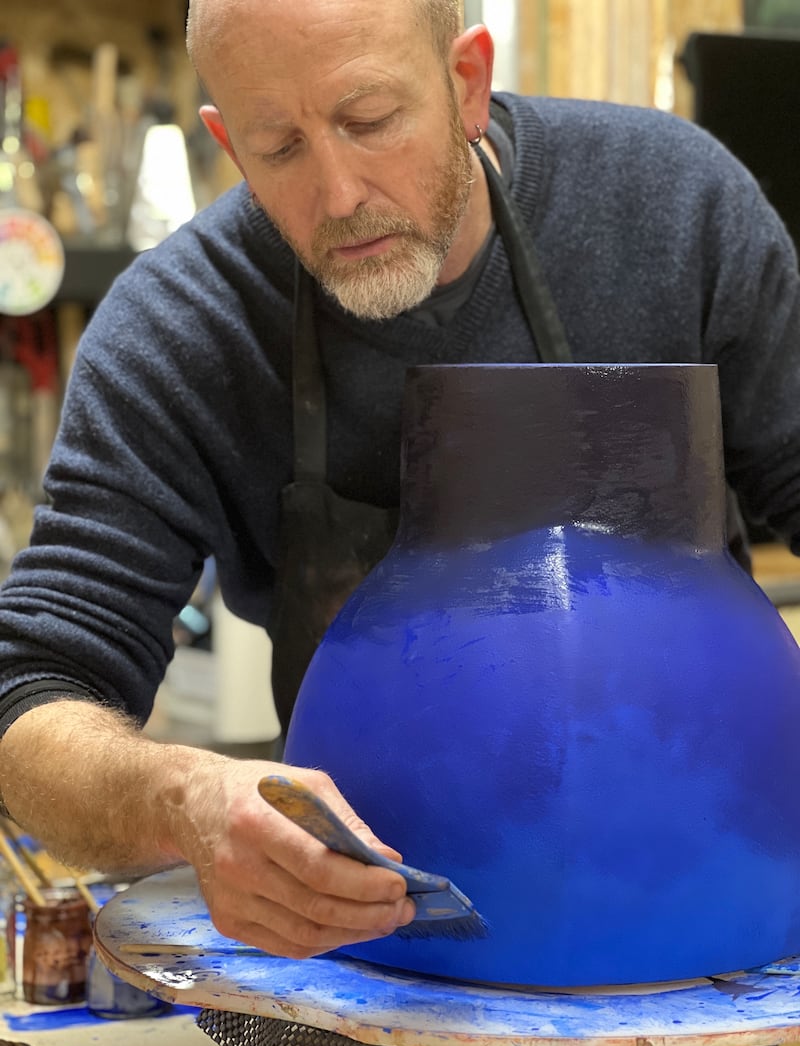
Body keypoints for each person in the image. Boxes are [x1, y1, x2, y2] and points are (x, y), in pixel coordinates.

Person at [0, 0, 798, 983]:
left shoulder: (674, 213)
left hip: (699, 968)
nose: (338, 195)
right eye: (278, 144)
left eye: (370, 120)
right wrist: (187, 801)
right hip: (347, 983)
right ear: (224, 142)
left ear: (466, 79)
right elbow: (27, 697)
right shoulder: (180, 330)